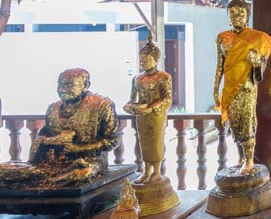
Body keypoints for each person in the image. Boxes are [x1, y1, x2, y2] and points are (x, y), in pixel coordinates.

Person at [0, 68, 118, 188]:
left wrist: (77, 148)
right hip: (52, 162)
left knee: (81, 175)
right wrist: (51, 141)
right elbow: (41, 138)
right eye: (60, 85)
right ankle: (46, 180)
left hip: (87, 161)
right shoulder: (53, 109)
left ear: (85, 85)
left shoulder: (102, 106)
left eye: (69, 85)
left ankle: (50, 181)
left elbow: (113, 140)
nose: (62, 90)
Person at [213, 0, 271, 173]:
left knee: (246, 123)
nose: (236, 16)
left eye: (240, 13)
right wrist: (215, 89)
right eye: (232, 13)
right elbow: (220, 66)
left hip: (246, 87)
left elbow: (261, 66)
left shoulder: (257, 38)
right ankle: (240, 156)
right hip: (229, 87)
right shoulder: (223, 38)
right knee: (233, 124)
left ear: (247, 15)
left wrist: (256, 62)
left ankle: (249, 161)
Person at [124, 36, 172, 184]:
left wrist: (151, 108)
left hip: (156, 115)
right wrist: (128, 106)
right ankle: (146, 171)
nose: (143, 62)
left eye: (146, 59)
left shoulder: (163, 77)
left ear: (155, 60)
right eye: (141, 60)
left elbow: (167, 98)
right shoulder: (137, 79)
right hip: (142, 115)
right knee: (143, 142)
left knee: (155, 141)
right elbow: (133, 98)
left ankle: (156, 171)